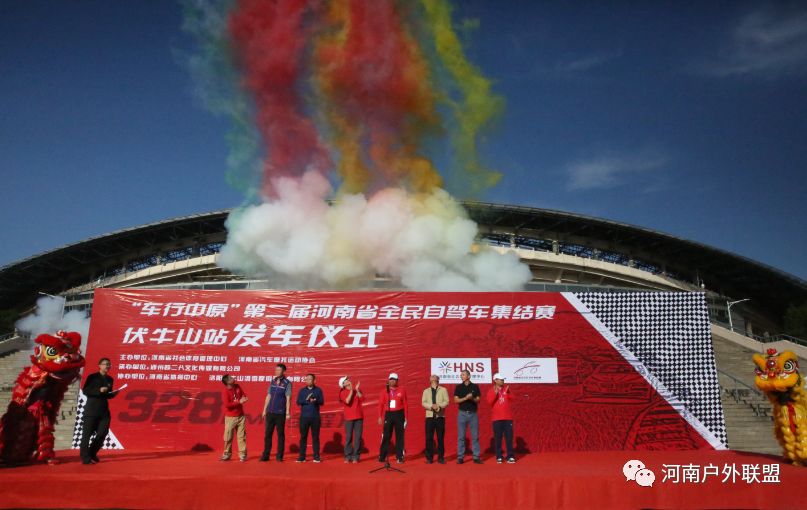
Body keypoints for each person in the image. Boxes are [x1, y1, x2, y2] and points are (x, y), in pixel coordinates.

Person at [80, 358, 120, 465]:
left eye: (109, 364)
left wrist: (113, 394)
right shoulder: (92, 377)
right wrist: (98, 390)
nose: (107, 366)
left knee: (103, 433)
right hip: (91, 410)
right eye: (105, 364)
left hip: (103, 411)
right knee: (86, 435)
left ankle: (92, 453)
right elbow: (86, 391)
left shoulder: (110, 379)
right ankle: (85, 458)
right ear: (99, 365)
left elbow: (106, 395)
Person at [260, 363, 292, 462]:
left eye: (279, 370)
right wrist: (264, 410)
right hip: (270, 412)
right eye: (276, 370)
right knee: (268, 434)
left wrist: (287, 412)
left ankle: (279, 456)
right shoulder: (273, 381)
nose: (276, 372)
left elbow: (288, 398)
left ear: (283, 371)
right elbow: (268, 395)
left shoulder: (287, 383)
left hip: (280, 413)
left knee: (280, 435)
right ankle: (266, 455)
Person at [453, 369, 483, 464]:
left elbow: (478, 400)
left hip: (473, 414)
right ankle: (460, 457)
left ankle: (476, 457)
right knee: (461, 437)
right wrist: (466, 398)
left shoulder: (475, 386)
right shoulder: (458, 387)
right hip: (462, 413)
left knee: (475, 436)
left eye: (463, 374)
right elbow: (456, 400)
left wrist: (472, 398)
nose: (461, 376)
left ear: (469, 376)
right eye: (461, 375)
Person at [378, 372, 408, 464]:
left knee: (399, 436)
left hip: (399, 414)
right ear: (388, 380)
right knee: (386, 435)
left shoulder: (402, 390)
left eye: (394, 379)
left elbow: (405, 404)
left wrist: (406, 417)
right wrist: (379, 416)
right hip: (389, 414)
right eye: (391, 379)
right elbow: (380, 404)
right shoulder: (384, 391)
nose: (392, 381)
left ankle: (399, 456)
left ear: (397, 381)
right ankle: (382, 456)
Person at [486, 373, 515, 464]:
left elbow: (513, 399)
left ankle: (510, 456)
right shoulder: (491, 390)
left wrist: (508, 392)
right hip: (497, 418)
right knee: (498, 438)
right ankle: (499, 456)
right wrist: (495, 393)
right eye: (501, 379)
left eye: (503, 379)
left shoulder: (506, 389)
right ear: (495, 380)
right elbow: (489, 402)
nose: (503, 381)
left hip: (508, 417)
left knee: (509, 437)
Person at [421, 374, 449, 464]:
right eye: (431, 377)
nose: (433, 378)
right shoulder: (426, 391)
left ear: (438, 380)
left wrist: (438, 406)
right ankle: (429, 458)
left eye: (435, 377)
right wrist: (431, 406)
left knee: (440, 438)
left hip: (440, 417)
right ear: (430, 381)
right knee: (429, 438)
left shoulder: (443, 390)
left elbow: (446, 401)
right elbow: (423, 403)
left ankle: (441, 457)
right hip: (429, 417)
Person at [296, 373, 324, 463]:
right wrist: (307, 400)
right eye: (306, 379)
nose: (308, 380)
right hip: (304, 417)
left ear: (314, 380)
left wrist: (315, 400)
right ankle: (302, 457)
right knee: (303, 437)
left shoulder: (318, 390)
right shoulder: (302, 391)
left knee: (315, 437)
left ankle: (316, 457)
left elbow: (322, 402)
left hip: (315, 417)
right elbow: (298, 402)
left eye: (310, 379)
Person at [220, 374, 248, 462]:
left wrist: (244, 398)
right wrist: (239, 402)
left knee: (242, 436)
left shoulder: (237, 386)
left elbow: (243, 395)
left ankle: (243, 455)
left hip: (241, 416)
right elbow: (227, 405)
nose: (233, 378)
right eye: (231, 378)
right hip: (230, 417)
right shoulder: (225, 391)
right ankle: (227, 454)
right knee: (228, 437)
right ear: (228, 382)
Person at [338, 375, 364, 463]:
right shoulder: (342, 392)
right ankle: (348, 456)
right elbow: (347, 401)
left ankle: (356, 457)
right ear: (343, 384)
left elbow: (362, 399)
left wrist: (357, 390)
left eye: (348, 379)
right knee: (349, 437)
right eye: (346, 380)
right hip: (349, 417)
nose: (348, 380)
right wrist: (352, 390)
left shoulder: (356, 390)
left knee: (358, 437)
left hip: (359, 417)